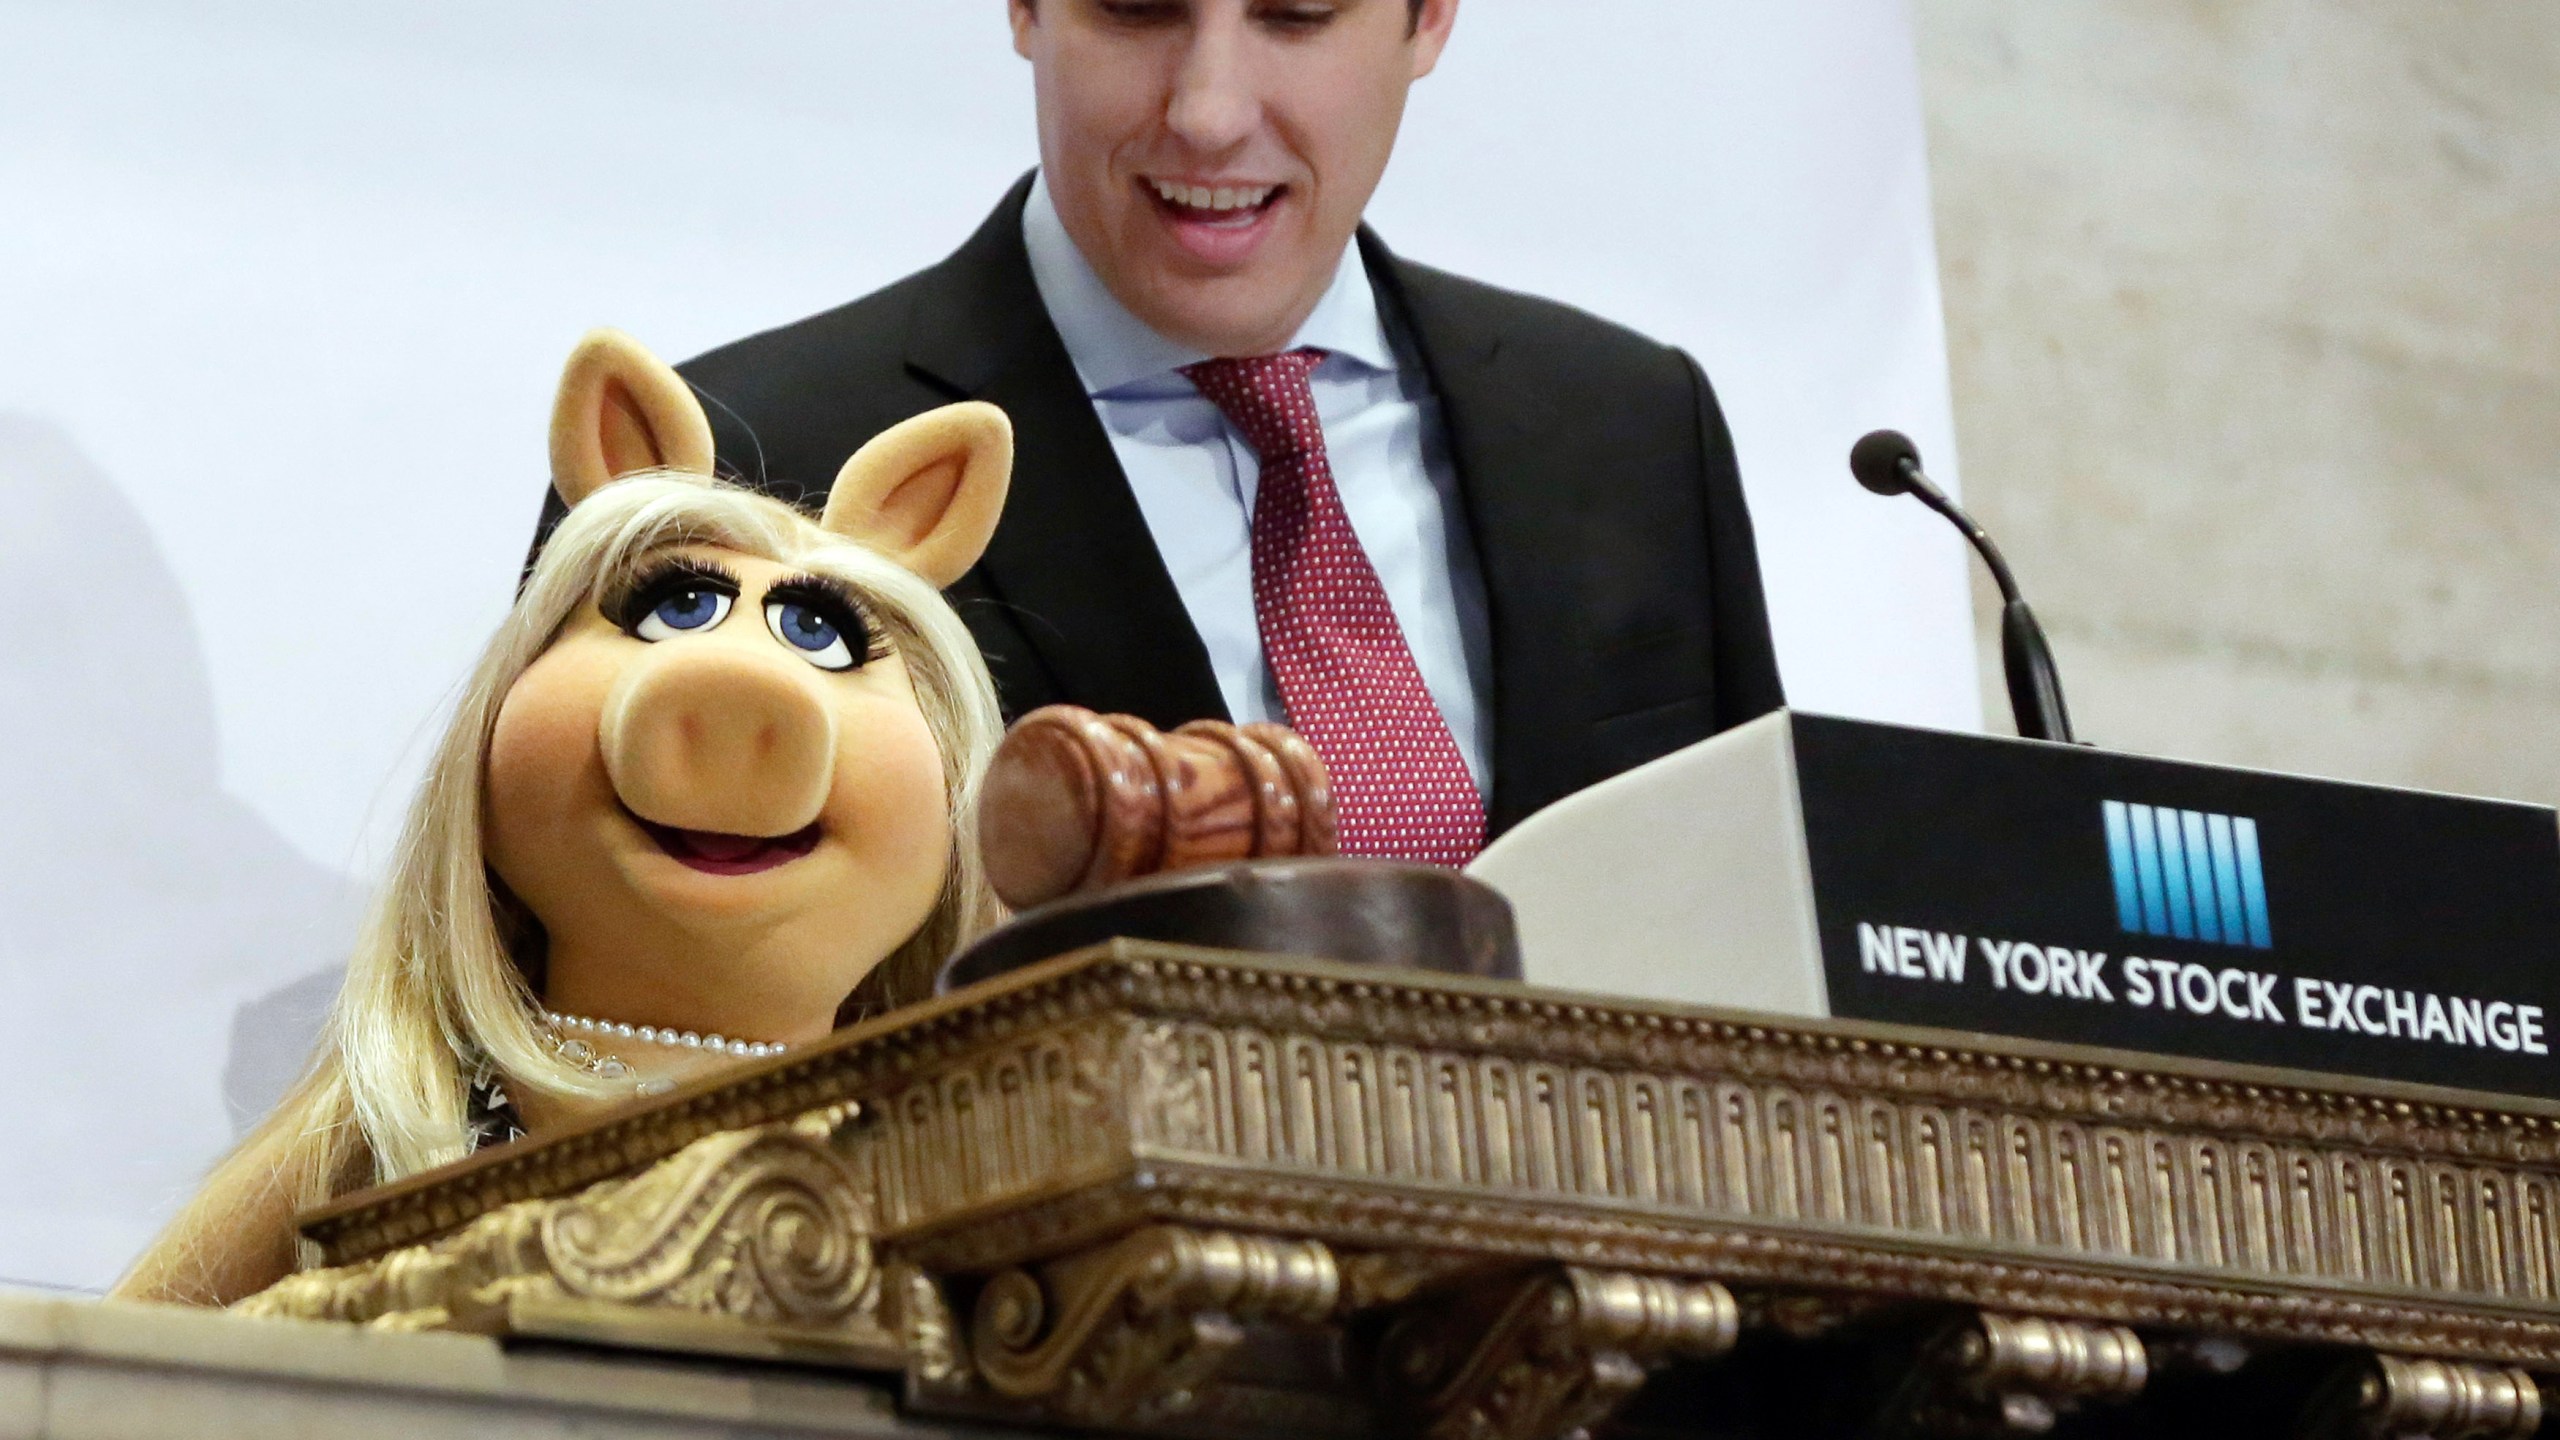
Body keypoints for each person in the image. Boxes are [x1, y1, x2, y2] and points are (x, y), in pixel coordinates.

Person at [532, 0, 1784, 863]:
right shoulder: (733, 464)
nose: (1207, 111)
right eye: (1136, 8)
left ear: (1429, 17)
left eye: (1295, 14)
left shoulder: (1633, 427)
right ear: (1025, 10)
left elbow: (1765, 955)